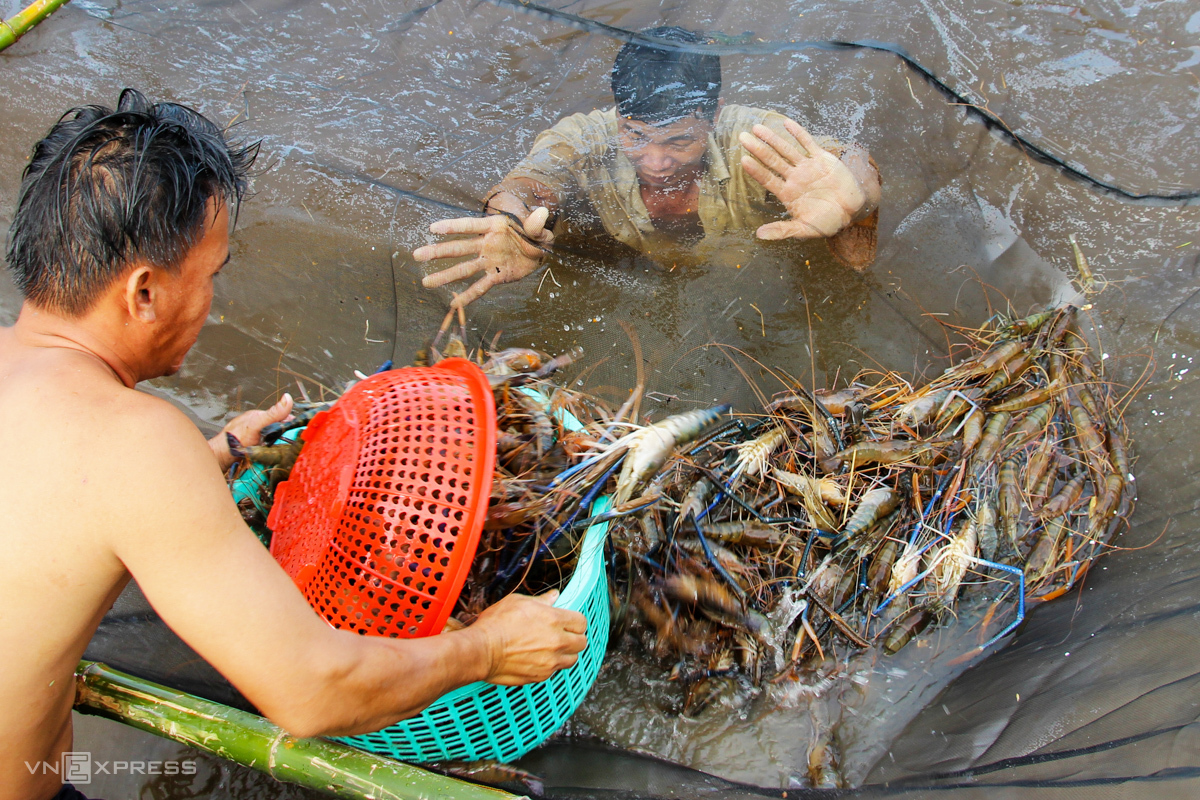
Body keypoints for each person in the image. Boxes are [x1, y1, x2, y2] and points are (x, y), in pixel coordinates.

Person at [0, 89, 587, 800]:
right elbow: (313, 691)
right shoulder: (135, 444)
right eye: (209, 277)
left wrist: (212, 456)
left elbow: (46, 508)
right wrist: (487, 647)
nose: (211, 302)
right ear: (144, 292)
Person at [414, 26, 882, 309]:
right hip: (628, 256)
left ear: (713, 115)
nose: (656, 162)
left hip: (736, 265)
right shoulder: (585, 136)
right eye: (635, 136)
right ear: (618, 116)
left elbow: (850, 162)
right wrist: (508, 219)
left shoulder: (754, 136)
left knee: (853, 249)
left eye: (680, 141)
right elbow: (531, 182)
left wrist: (857, 194)